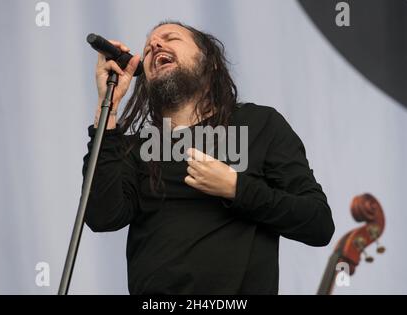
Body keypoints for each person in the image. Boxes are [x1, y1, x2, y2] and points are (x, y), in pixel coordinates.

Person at [83, 21, 335, 294]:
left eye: (171, 38)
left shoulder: (259, 125)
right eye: (148, 46)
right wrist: (106, 108)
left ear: (209, 62)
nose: (155, 45)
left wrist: (236, 188)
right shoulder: (139, 147)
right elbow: (102, 217)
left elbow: (318, 223)